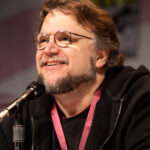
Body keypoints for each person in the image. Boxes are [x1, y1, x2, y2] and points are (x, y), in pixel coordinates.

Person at [0, 0, 150, 149]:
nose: (49, 49)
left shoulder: (139, 99)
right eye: (43, 40)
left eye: (65, 38)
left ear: (100, 56)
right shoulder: (20, 117)